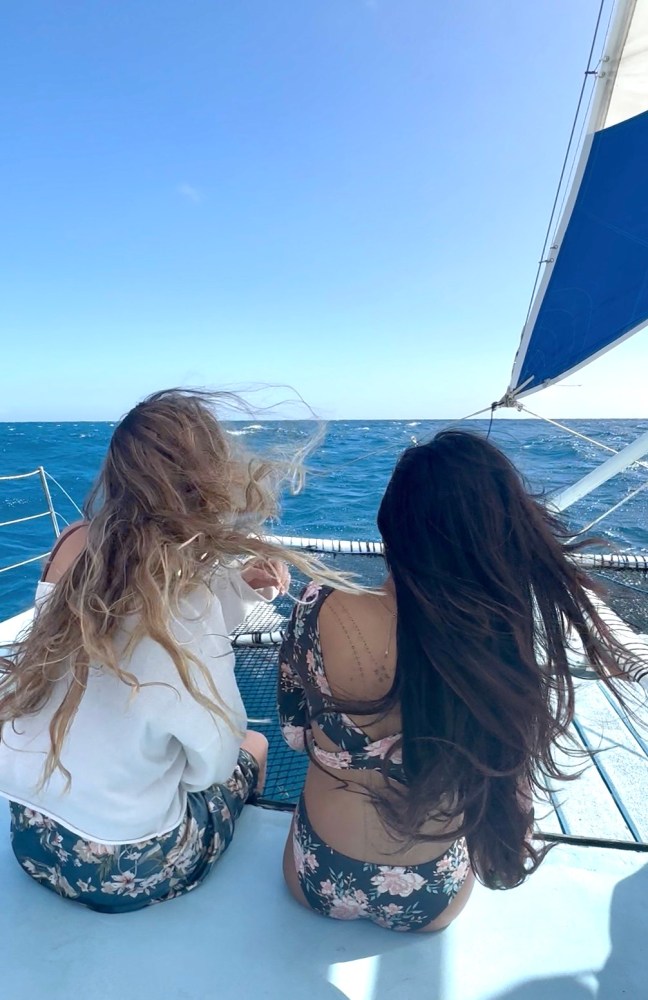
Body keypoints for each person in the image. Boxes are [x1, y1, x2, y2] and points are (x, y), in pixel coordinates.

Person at [278, 430, 639, 932]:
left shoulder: (315, 605)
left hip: (314, 876)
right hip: (430, 899)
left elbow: (296, 734)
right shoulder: (501, 641)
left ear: (389, 525)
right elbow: (510, 783)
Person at [0, 388, 328, 912]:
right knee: (253, 748)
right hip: (129, 867)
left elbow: (127, 602)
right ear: (208, 478)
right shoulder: (185, 596)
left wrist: (238, 584)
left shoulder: (73, 543)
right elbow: (214, 762)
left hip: (32, 840)